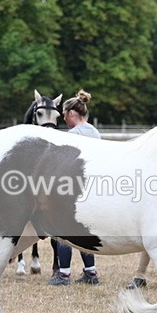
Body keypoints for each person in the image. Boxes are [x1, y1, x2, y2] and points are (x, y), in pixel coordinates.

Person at [49, 89, 102, 286]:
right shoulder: (95, 132)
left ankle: (63, 275)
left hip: (73, 188)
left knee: (63, 229)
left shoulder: (72, 135)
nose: (63, 119)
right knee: (83, 231)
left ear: (72, 114)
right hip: (93, 187)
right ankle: (91, 272)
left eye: (64, 114)